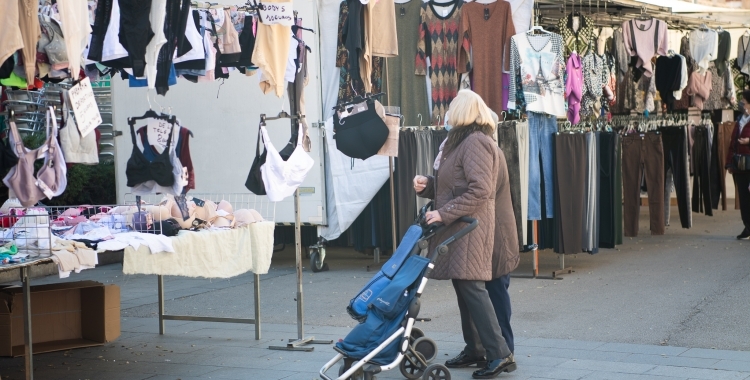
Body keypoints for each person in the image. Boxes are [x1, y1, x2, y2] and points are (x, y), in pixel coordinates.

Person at [414, 90, 516, 379]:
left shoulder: (475, 142)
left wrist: (443, 213)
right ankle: (476, 349)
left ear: (462, 112)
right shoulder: (462, 142)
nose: (447, 115)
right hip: (462, 227)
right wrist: (429, 186)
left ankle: (500, 354)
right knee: (465, 288)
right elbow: (456, 185)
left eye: (451, 110)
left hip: (471, 227)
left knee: (472, 288)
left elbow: (480, 190)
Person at [726, 90, 750, 239]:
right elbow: (732, 143)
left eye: (744, 102)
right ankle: (747, 226)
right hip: (739, 165)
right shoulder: (741, 119)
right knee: (743, 197)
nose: (742, 104)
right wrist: (729, 163)